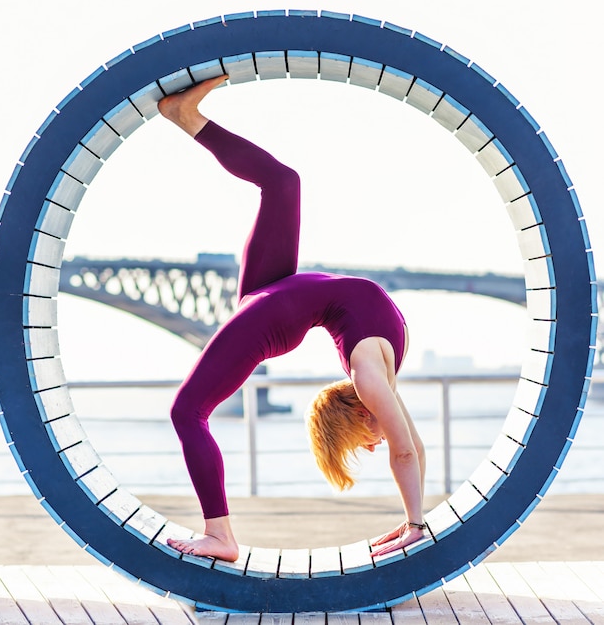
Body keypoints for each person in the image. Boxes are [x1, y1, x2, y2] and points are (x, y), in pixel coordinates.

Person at [157, 75, 426, 562]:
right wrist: (415, 523)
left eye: (360, 445)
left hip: (274, 314)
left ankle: (218, 533)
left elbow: (407, 449)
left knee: (186, 413)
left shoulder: (374, 378)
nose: (371, 448)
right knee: (284, 182)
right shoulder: (376, 379)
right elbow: (409, 450)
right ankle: (186, 117)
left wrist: (416, 523)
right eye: (366, 446)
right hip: (276, 294)